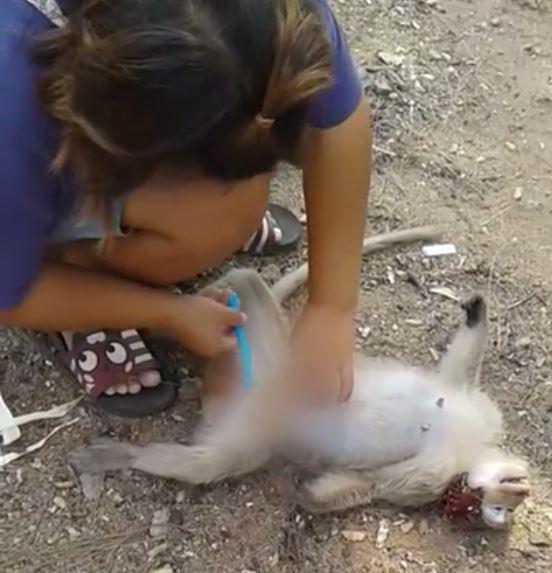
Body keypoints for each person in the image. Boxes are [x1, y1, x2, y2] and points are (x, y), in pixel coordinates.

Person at [0, 0, 372, 417]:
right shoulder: (11, 116)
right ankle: (77, 272)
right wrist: (167, 312)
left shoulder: (266, 19)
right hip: (25, 151)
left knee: (224, 216)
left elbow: (340, 124)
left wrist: (332, 305)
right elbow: (7, 299)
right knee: (212, 221)